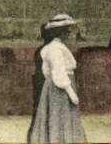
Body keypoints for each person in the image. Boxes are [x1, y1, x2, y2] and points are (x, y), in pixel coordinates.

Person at [28, 12, 85, 143]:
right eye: (67, 32)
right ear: (61, 33)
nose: (69, 35)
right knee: (58, 118)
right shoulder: (55, 48)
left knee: (61, 118)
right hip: (59, 89)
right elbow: (58, 72)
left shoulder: (58, 47)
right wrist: (71, 93)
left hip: (58, 86)